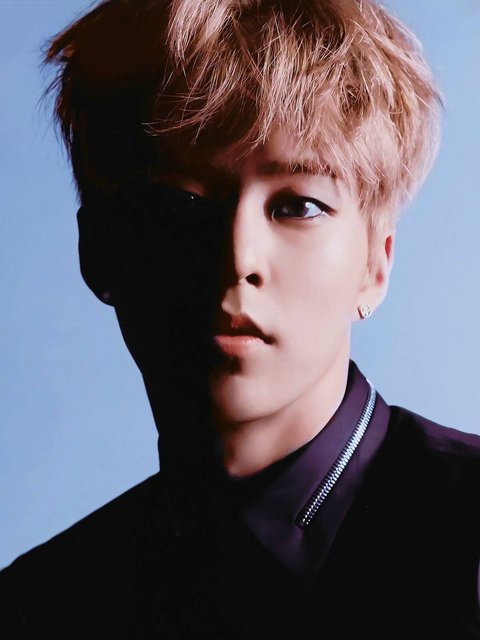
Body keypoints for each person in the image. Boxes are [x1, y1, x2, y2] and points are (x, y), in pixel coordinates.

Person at [1, 0, 479, 637]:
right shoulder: (40, 605)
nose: (237, 259)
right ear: (98, 251)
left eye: (299, 206)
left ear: (376, 263)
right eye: (176, 204)